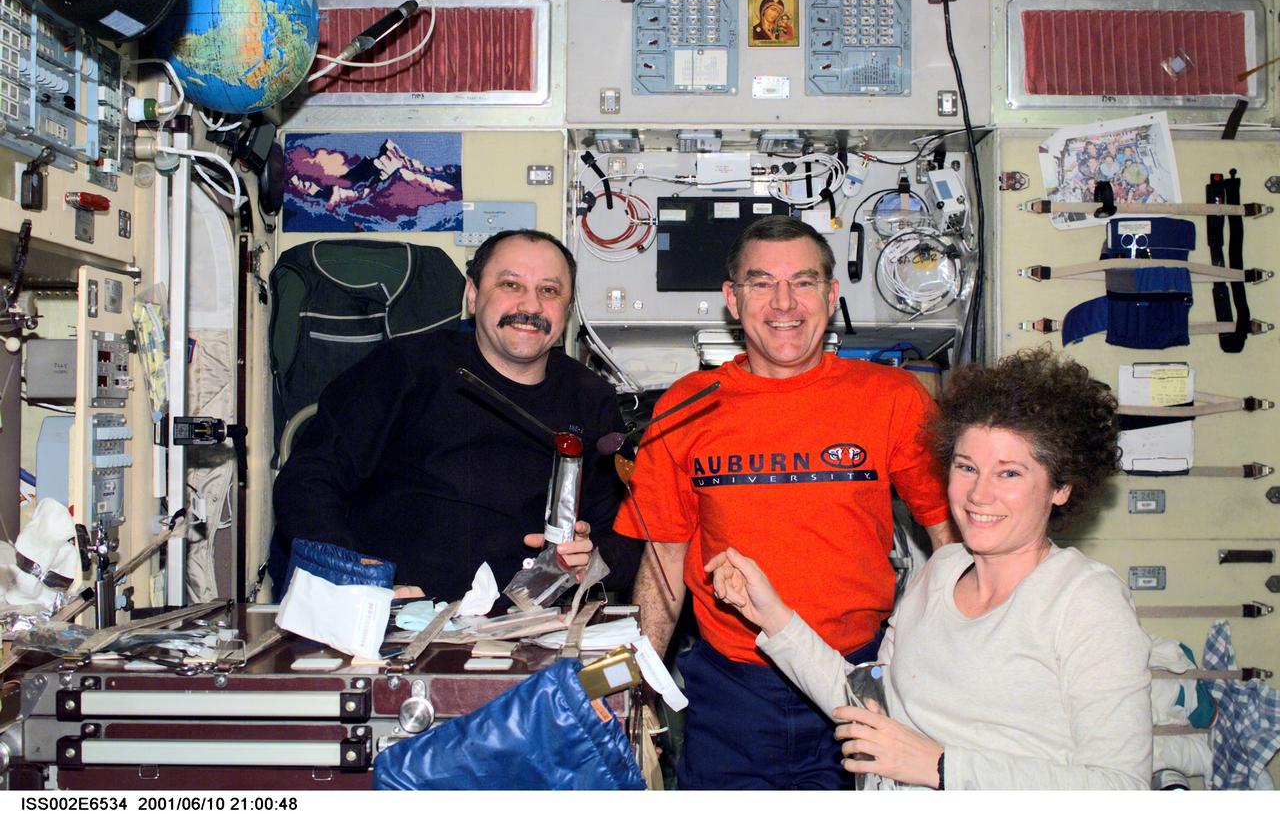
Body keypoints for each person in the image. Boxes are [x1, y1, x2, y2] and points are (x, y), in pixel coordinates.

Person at [707, 347, 1153, 790]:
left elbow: (1121, 786)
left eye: (1009, 474)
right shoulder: (942, 568)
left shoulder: (1085, 601)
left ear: (1060, 487)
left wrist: (942, 768)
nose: (979, 494)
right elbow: (870, 705)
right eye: (966, 467)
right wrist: (770, 614)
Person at [614, 216, 956, 789]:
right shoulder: (684, 407)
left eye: (803, 282)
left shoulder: (893, 399)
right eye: (761, 283)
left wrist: (950, 667)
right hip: (732, 686)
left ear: (830, 294)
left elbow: (949, 539)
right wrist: (639, 687)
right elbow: (665, 562)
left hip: (861, 675)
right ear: (732, 298)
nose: (784, 303)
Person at [272, 230, 641, 600]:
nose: (530, 306)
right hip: (393, 609)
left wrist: (590, 561)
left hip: (525, 621)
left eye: (549, 291)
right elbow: (308, 481)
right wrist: (353, 576)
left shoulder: (590, 397)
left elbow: (627, 538)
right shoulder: (404, 368)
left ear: (567, 308)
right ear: (472, 295)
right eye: (510, 284)